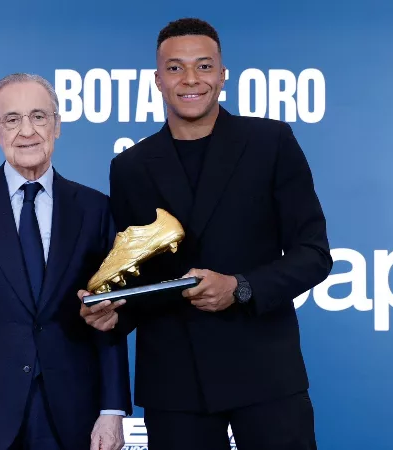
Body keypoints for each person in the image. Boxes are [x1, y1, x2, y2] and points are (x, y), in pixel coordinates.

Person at [79, 18, 332, 450]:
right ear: (157, 80)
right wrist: (112, 315)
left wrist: (240, 287)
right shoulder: (130, 168)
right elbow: (139, 278)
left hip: (266, 374)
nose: (191, 79)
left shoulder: (271, 142)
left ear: (222, 74)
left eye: (204, 66)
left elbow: (313, 254)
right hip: (174, 384)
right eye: (175, 68)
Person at [0, 73, 131, 450]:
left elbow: (107, 315)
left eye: (38, 116)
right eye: (12, 119)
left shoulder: (94, 208)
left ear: (57, 125)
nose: (27, 131)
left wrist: (112, 408)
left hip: (74, 411)